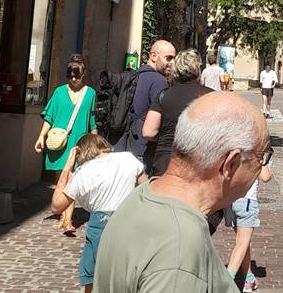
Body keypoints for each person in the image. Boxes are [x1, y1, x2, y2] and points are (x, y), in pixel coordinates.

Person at [93, 92, 271, 292]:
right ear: (230, 163)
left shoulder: (144, 194)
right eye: (262, 156)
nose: (261, 166)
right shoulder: (180, 247)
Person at [51, 134, 147, 292]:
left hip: (101, 225)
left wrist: (67, 166)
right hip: (128, 220)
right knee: (125, 275)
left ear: (80, 152)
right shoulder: (128, 159)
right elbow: (145, 188)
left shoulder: (83, 172)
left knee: (92, 275)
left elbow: (56, 206)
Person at [35, 55, 98, 233]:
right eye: (70, 75)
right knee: (61, 181)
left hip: (78, 143)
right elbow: (49, 116)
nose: (73, 79)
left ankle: (68, 220)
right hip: (59, 143)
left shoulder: (90, 94)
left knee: (72, 180)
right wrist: (41, 136)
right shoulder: (59, 92)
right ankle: (63, 216)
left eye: (77, 75)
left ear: (83, 74)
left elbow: (92, 120)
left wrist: (95, 144)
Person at [143, 48, 213, 176]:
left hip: (166, 160)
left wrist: (165, 136)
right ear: (198, 69)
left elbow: (148, 132)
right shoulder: (211, 96)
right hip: (199, 160)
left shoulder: (163, 95)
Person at [121, 39, 175, 167]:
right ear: (154, 56)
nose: (172, 63)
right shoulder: (159, 81)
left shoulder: (135, 75)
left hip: (126, 145)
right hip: (145, 149)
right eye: (168, 58)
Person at [225, 163, 273, 292]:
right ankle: (225, 283)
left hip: (230, 200)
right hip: (246, 201)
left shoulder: (233, 151)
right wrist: (264, 162)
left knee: (243, 242)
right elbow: (265, 177)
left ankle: (249, 278)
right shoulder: (257, 154)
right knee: (242, 244)